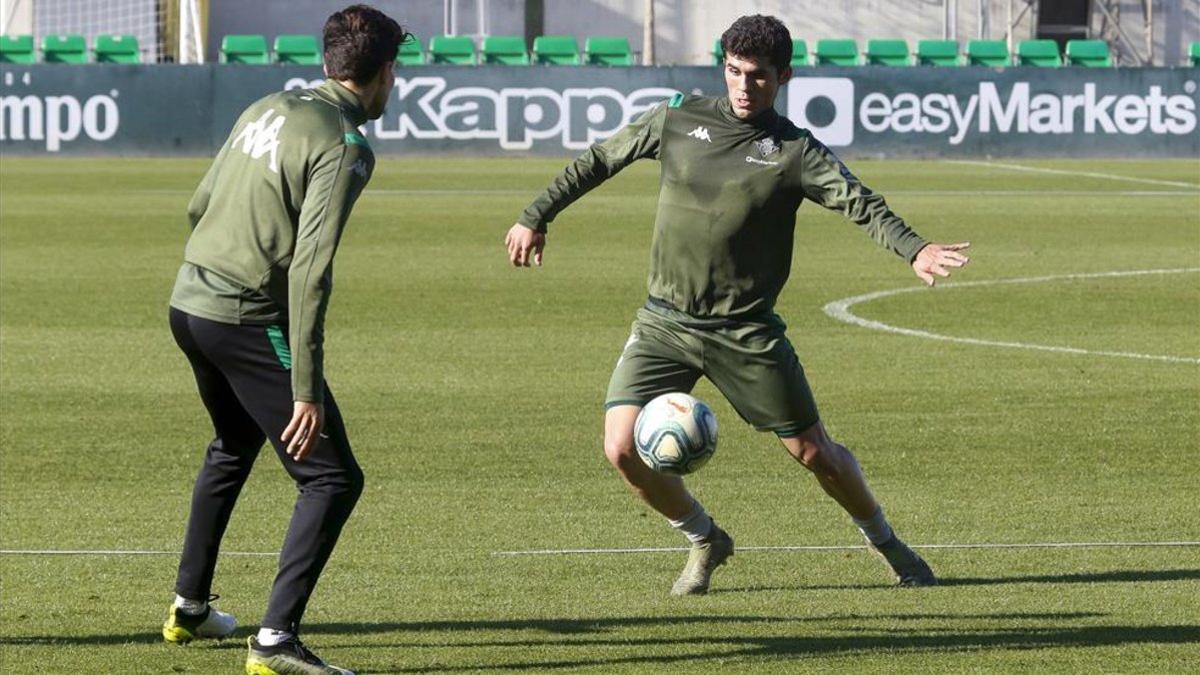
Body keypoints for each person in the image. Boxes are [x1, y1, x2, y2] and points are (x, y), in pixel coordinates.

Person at [505, 14, 969, 595]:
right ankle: (705, 538)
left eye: (758, 76)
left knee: (814, 452)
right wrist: (536, 214)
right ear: (722, 65)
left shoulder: (795, 152)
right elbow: (599, 159)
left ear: (783, 76)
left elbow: (861, 203)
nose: (744, 86)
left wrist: (913, 248)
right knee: (621, 448)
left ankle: (890, 545)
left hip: (745, 333)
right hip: (664, 322)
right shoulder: (677, 120)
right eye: (733, 71)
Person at [162, 5, 407, 673]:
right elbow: (310, 270)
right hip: (242, 317)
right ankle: (275, 639)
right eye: (396, 69)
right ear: (384, 72)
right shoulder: (346, 146)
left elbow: (198, 204)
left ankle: (189, 607)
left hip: (189, 301)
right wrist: (306, 388)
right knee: (331, 476)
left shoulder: (268, 104)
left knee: (233, 442)